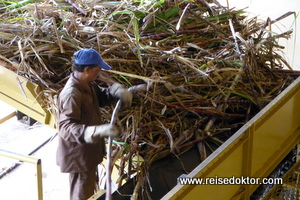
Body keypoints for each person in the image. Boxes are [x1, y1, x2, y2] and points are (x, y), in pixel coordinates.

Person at [56, 48, 132, 200]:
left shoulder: (87, 84)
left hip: (88, 154)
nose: (99, 73)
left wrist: (114, 91)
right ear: (87, 69)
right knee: (82, 194)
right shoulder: (72, 94)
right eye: (97, 70)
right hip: (78, 157)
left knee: (89, 189)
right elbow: (65, 128)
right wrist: (95, 131)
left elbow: (101, 97)